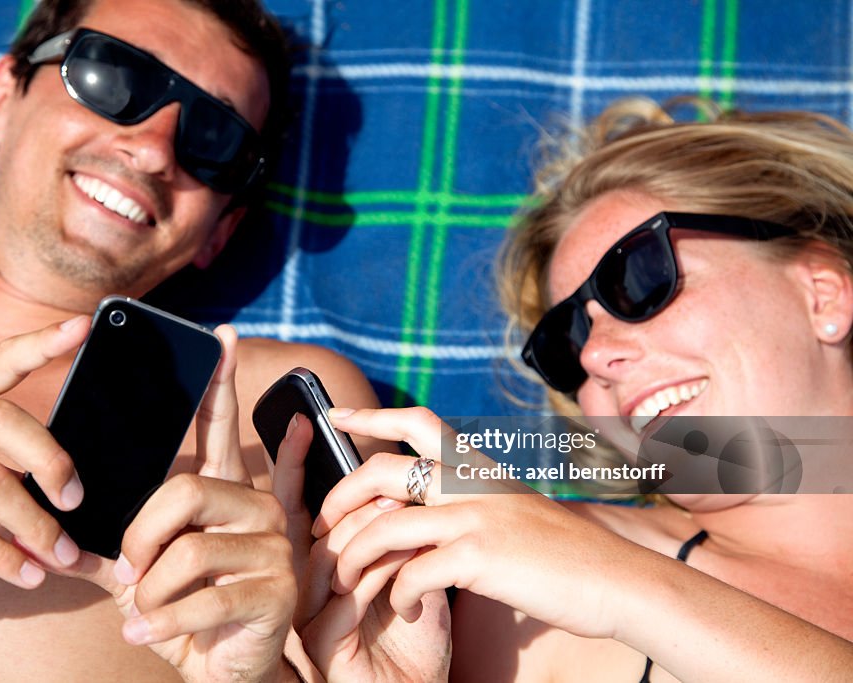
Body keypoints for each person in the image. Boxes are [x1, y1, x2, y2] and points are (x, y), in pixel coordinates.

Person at [0, 0, 391, 680]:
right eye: (114, 77)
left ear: (222, 229)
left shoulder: (275, 414)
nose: (154, 148)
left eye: (213, 136)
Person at [303, 98, 853, 681]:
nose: (595, 357)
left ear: (823, 292)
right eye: (565, 342)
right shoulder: (525, 594)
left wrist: (627, 587)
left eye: (639, 279)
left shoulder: (579, 568)